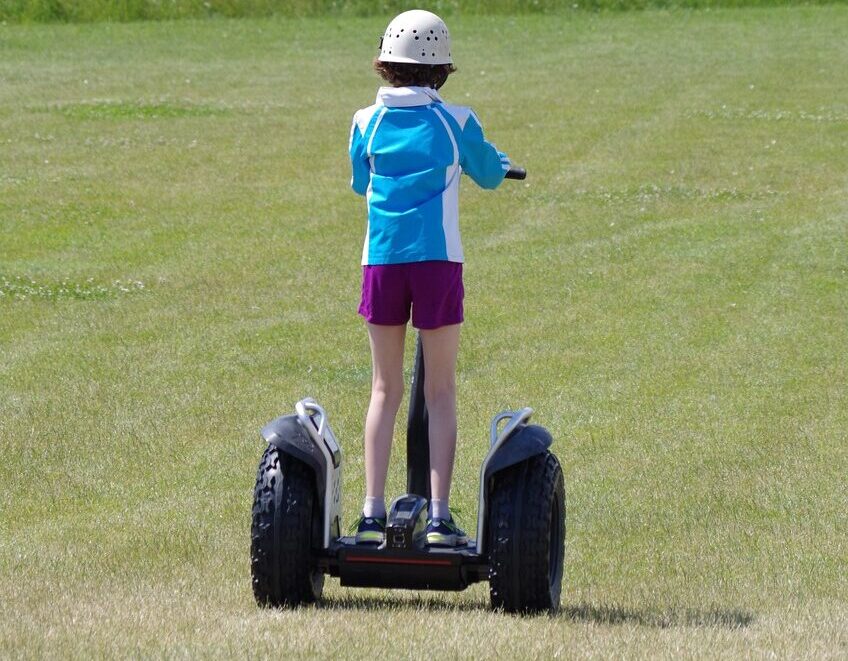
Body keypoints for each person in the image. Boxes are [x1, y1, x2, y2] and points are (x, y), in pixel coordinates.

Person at [348, 9, 511, 547]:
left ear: (385, 65)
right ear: (441, 69)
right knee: (439, 390)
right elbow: (488, 173)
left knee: (383, 388)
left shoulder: (364, 122)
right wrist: (499, 162)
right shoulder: (456, 120)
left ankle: (371, 515)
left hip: (382, 261)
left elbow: (359, 181)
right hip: (437, 262)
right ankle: (439, 519)